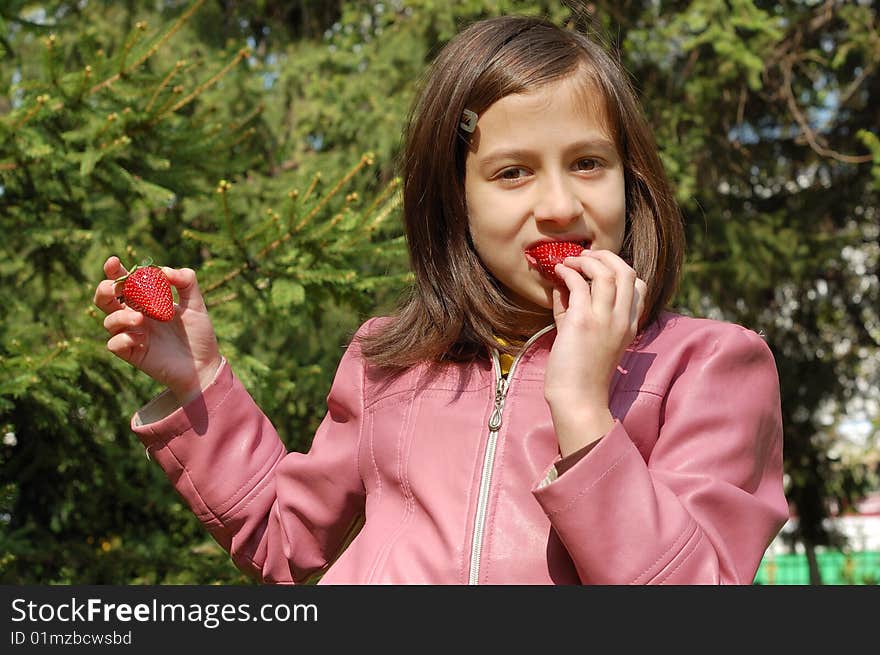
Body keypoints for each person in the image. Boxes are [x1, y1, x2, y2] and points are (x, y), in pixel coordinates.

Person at [93, 15, 788, 584]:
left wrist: (582, 408)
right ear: (456, 203)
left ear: (631, 180)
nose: (560, 204)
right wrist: (197, 383)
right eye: (512, 172)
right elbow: (283, 543)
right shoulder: (390, 361)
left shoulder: (708, 368)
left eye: (587, 162)